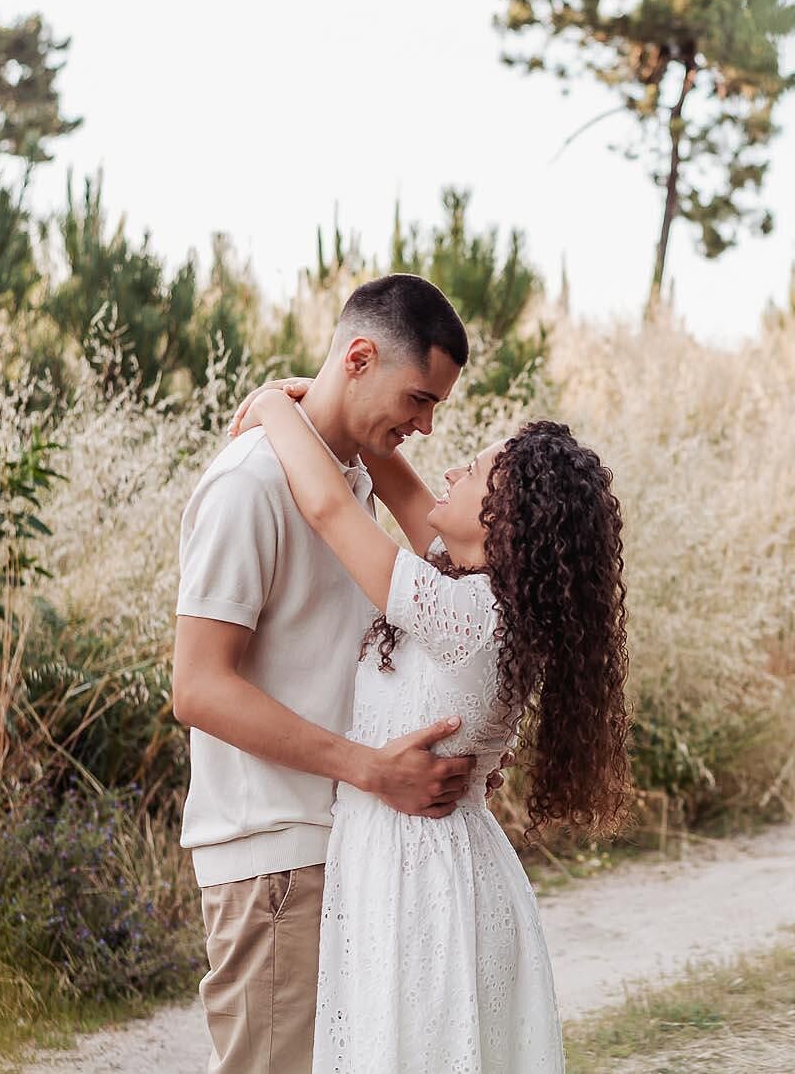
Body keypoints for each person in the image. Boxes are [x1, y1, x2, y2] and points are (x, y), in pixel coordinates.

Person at [227, 384, 632, 1073]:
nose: (448, 471)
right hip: (424, 860)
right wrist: (335, 398)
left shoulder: (466, 617)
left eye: (471, 472)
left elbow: (330, 508)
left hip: (419, 875)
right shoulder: (482, 597)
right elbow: (403, 488)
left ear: (507, 523)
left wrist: (271, 405)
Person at [171, 274, 489, 1074]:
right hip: (276, 857)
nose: (425, 425)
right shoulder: (251, 482)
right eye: (419, 398)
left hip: (341, 843)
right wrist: (370, 768)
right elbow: (198, 687)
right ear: (358, 358)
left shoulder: (349, 482)